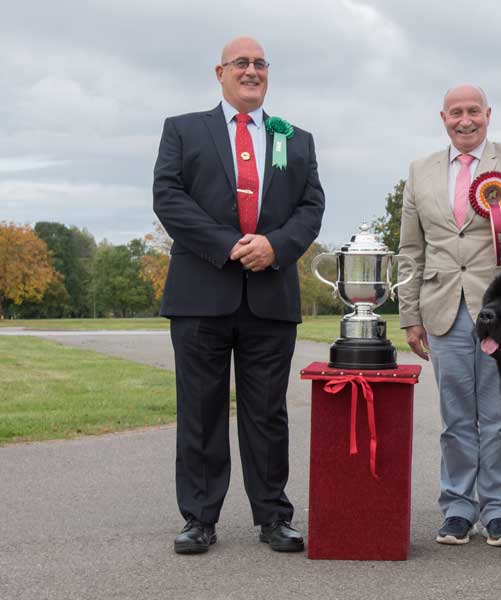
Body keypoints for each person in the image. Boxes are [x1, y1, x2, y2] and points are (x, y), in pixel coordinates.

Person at [153, 36, 325, 554]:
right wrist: (230, 247)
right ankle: (199, 518)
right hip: (201, 295)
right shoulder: (183, 130)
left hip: (270, 298)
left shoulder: (295, 138)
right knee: (201, 411)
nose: (251, 71)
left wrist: (275, 246)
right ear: (220, 72)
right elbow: (168, 197)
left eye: (259, 64)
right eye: (241, 63)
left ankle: (273, 516)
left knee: (267, 413)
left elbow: (311, 206)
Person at [398, 84, 501, 547]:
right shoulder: (419, 172)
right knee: (455, 418)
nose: (465, 120)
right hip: (442, 309)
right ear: (442, 117)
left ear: (488, 114)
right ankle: (458, 507)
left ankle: (500, 509)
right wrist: (410, 314)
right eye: (455, 113)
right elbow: (411, 250)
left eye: (473, 112)